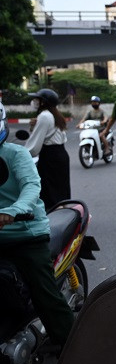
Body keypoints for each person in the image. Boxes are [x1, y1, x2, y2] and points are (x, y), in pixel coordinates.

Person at [0, 102, 75, 349]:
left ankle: (74, 350)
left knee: (45, 294)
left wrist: (14, 211)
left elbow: (31, 186)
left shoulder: (15, 154)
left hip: (25, 234)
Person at [25, 88, 71, 210]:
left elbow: (34, 145)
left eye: (37, 99)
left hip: (50, 157)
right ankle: (64, 218)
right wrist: (34, 126)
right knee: (60, 189)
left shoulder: (44, 116)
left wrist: (22, 154)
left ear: (43, 102)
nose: (34, 101)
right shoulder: (55, 114)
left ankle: (53, 220)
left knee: (50, 192)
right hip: (61, 154)